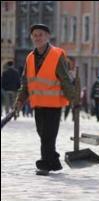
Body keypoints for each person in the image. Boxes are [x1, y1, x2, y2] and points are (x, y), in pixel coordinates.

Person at [14, 24, 76, 175]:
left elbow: (65, 79)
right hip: (38, 103)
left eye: (40, 34)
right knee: (42, 134)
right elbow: (26, 83)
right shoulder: (30, 57)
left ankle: (45, 164)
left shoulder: (57, 54)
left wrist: (73, 99)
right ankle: (53, 160)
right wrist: (20, 100)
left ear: (48, 36)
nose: (37, 38)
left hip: (53, 104)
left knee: (48, 135)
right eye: (35, 35)